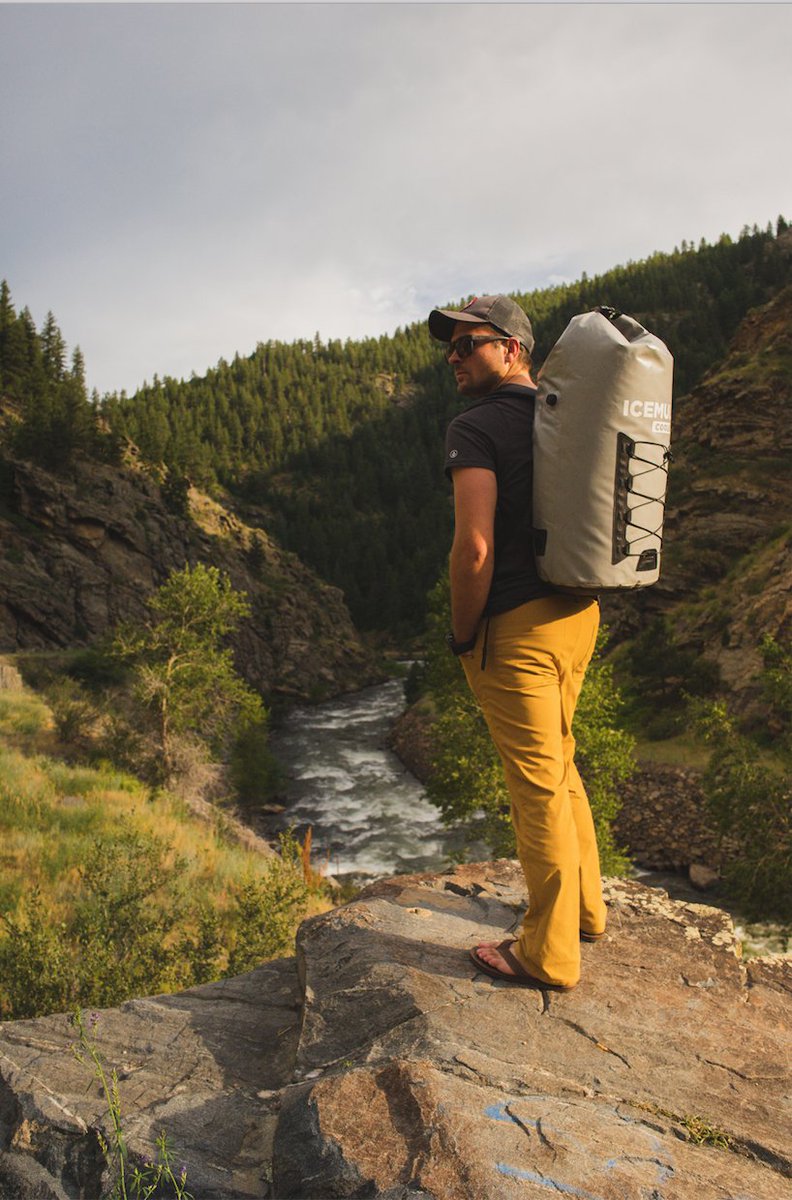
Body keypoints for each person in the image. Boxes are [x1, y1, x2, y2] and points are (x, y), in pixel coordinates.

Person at [429, 294, 607, 991]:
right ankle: (586, 911)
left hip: (517, 627)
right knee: (560, 764)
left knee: (535, 787)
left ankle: (547, 954)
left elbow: (473, 549)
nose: (453, 358)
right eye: (450, 347)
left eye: (467, 343)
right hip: (577, 613)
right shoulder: (566, 416)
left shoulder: (475, 427)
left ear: (512, 348)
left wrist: (462, 633)